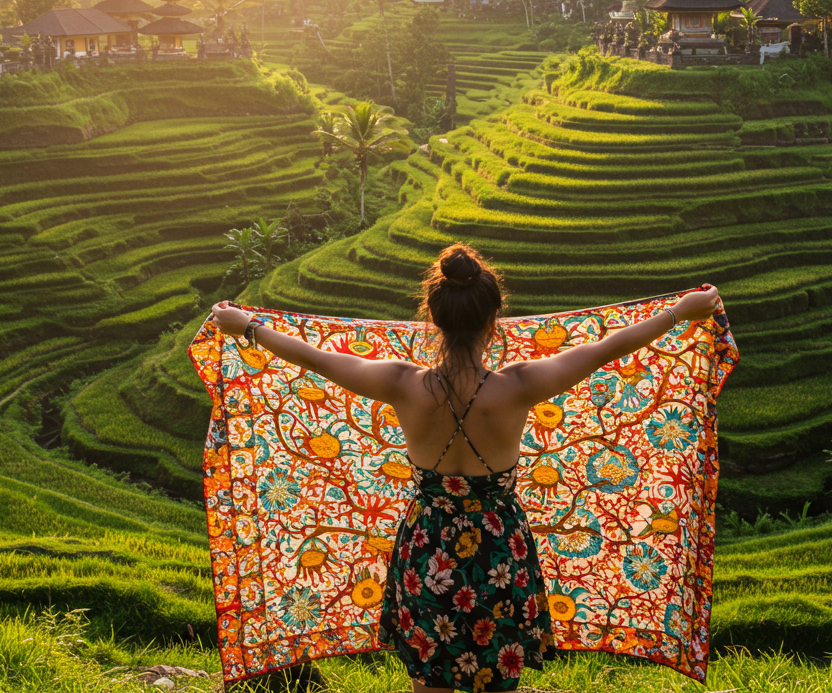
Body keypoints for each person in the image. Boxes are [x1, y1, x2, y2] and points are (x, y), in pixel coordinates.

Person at [210, 244, 721, 693]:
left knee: (429, 681)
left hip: (427, 547)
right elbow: (608, 347)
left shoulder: (402, 384)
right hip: (498, 550)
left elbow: (315, 358)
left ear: (433, 319)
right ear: (494, 320)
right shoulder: (519, 386)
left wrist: (248, 327)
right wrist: (681, 311)